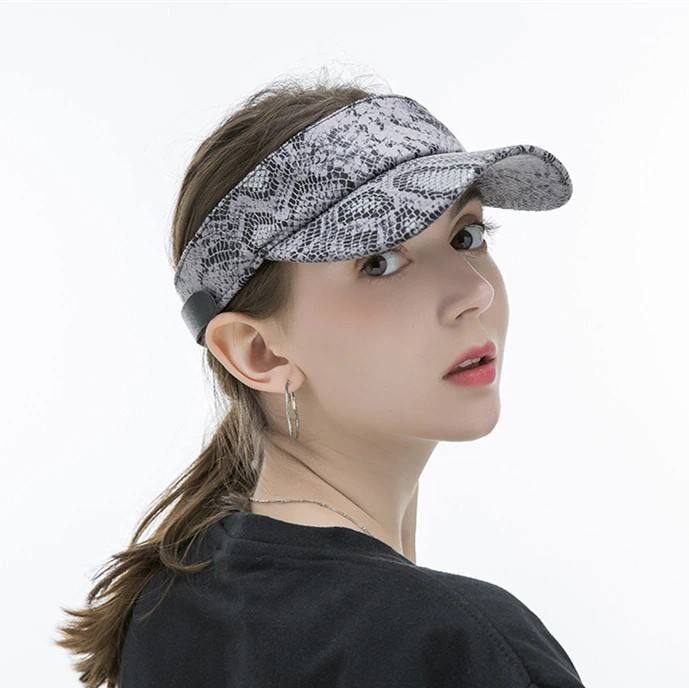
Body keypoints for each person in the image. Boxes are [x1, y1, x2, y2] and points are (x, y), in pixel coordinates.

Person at [55, 75, 584, 688]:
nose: (475, 290)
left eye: (466, 235)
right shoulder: (456, 642)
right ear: (257, 352)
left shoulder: (167, 604)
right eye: (380, 261)